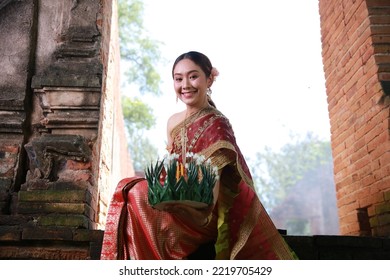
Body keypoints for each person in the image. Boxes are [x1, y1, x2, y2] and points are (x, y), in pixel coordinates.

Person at [100, 51, 297, 260]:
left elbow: (210, 200)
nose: (185, 85)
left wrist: (184, 206)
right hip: (173, 204)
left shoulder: (217, 125)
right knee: (132, 189)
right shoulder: (173, 122)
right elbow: (170, 173)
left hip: (200, 214)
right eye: (178, 78)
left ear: (209, 79)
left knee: (138, 192)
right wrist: (166, 195)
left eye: (193, 76)